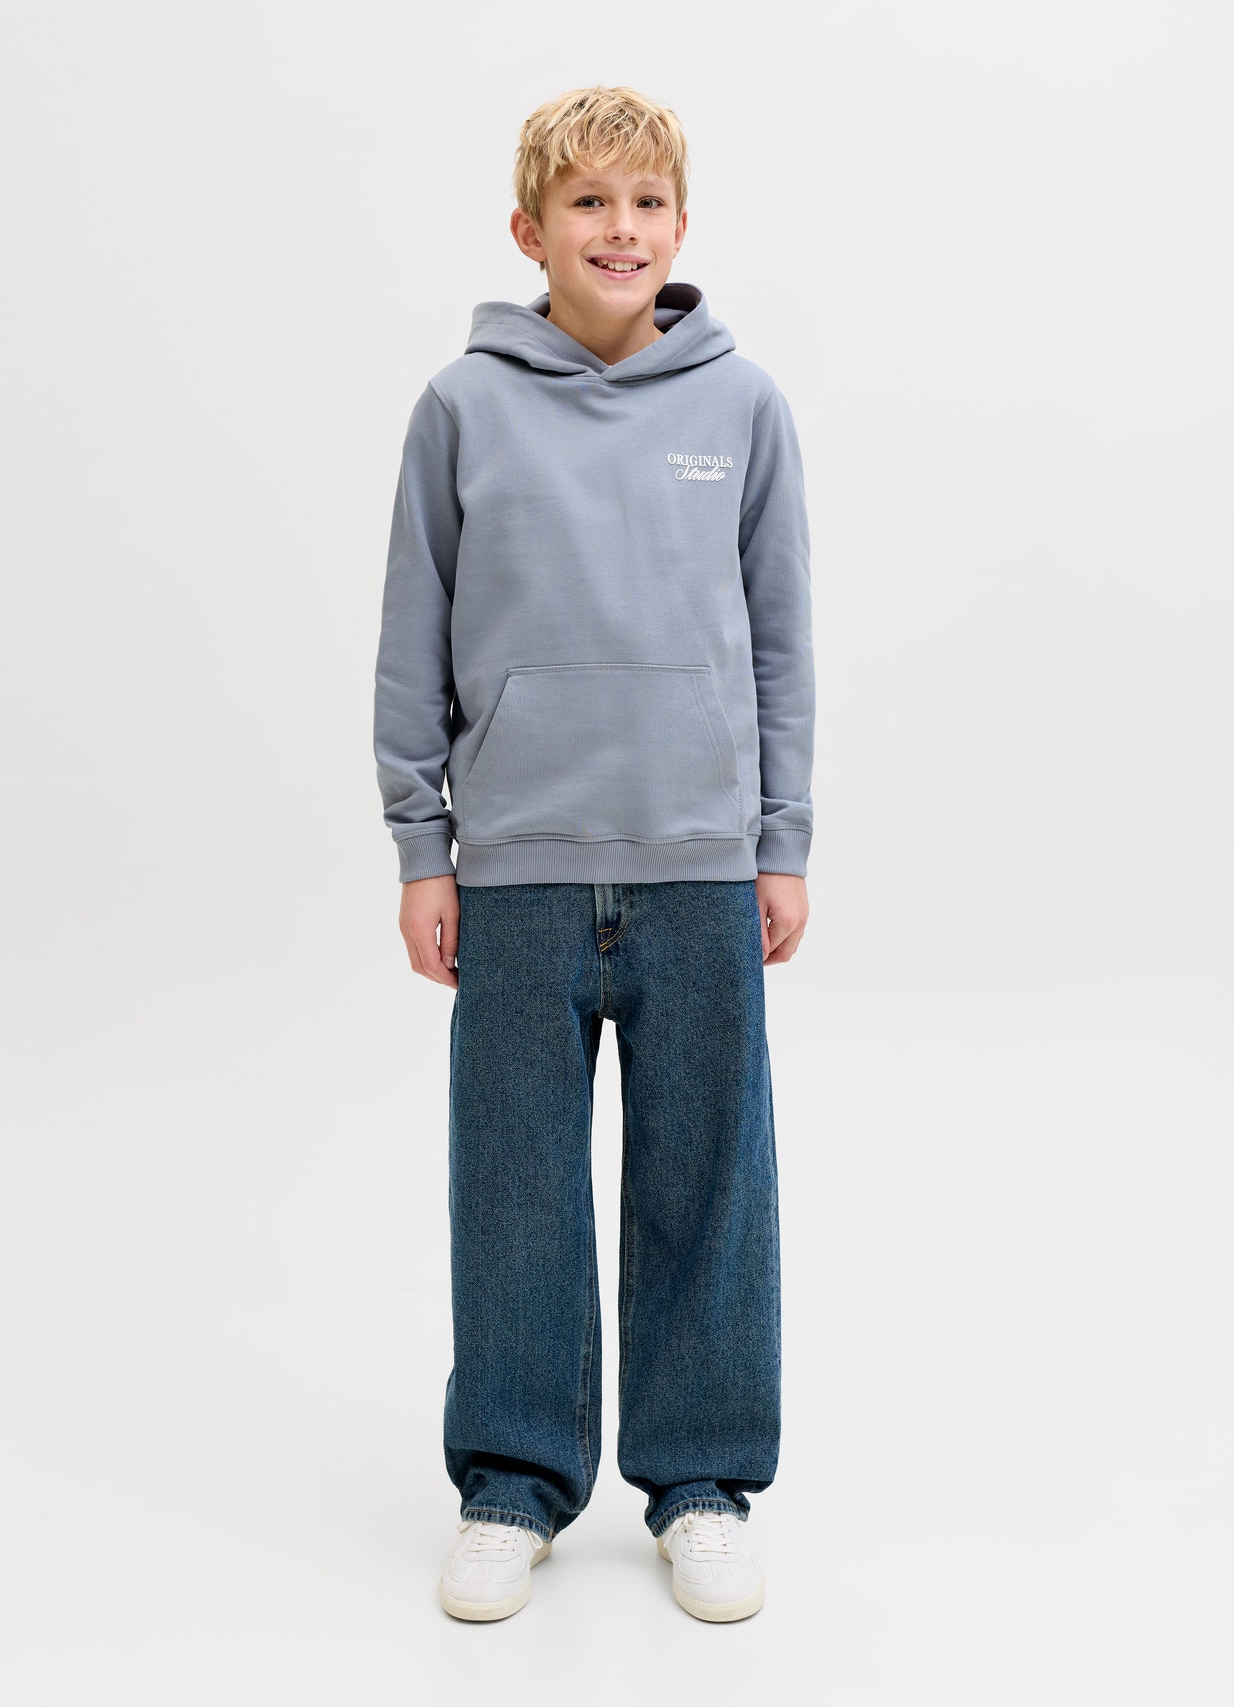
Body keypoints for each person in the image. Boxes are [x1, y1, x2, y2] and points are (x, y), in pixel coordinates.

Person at [372, 84, 815, 1624]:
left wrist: (781, 841)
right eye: (587, 204)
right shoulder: (461, 408)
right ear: (529, 230)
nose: (619, 229)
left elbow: (780, 646)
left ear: (680, 228)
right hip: (517, 867)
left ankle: (701, 1485)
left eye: (645, 203)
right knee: (517, 1192)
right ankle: (513, 1482)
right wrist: (423, 849)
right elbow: (411, 642)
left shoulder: (743, 408)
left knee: (708, 1179)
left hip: (699, 865)